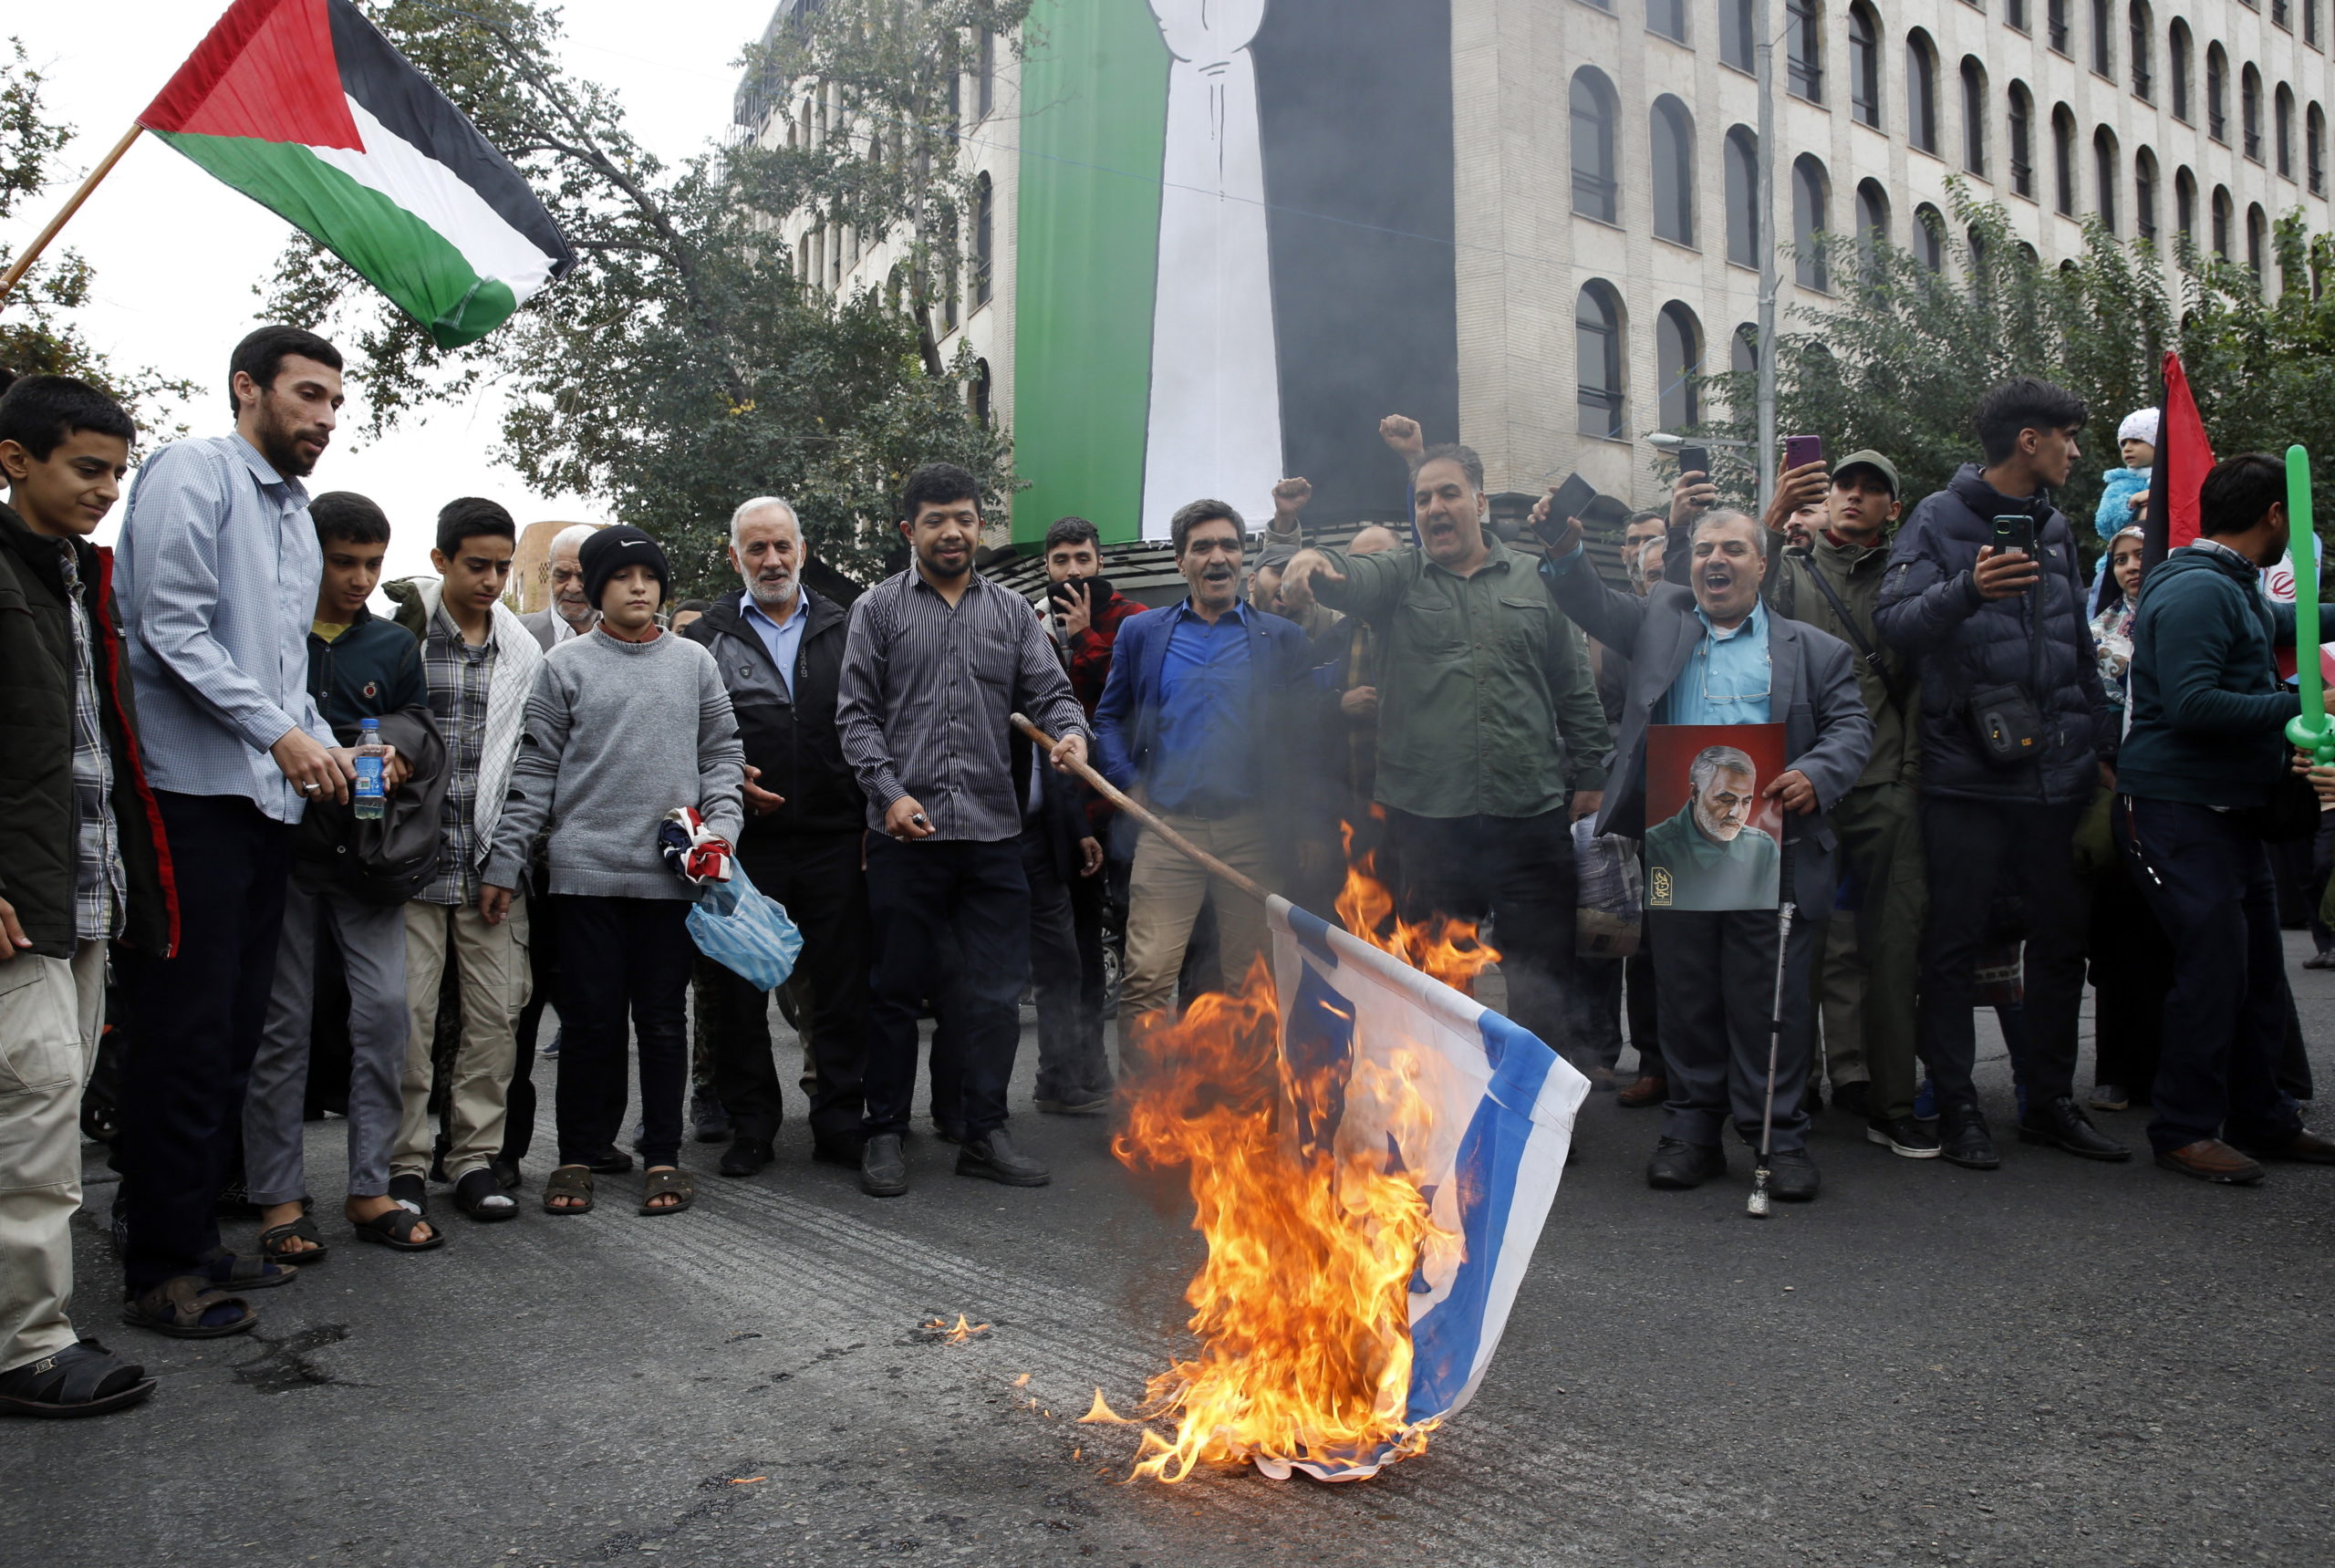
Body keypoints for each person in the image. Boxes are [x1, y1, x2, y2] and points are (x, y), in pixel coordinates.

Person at [111, 326, 364, 1335]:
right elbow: (166, 628)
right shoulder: (192, 473)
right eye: (307, 395)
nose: (324, 419)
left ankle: (199, 1238)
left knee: (233, 1032)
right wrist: (279, 731)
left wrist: (326, 744)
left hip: (266, 802)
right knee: (181, 1030)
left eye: (335, 404)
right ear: (246, 388)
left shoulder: (297, 517)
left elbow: (283, 669)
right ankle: (161, 1268)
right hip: (189, 793)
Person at [1542, 505, 1873, 1199]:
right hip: (1682, 835)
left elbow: (1851, 727)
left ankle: (1777, 1138)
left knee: (1768, 1000)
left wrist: (1817, 772)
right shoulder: (1661, 624)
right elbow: (1590, 601)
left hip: (1772, 843)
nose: (1714, 560)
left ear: (1761, 563)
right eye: (1702, 550)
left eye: (1732, 549)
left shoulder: (1815, 650)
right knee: (1686, 995)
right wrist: (1563, 545)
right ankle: (1690, 1131)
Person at [1874, 376, 2130, 1171]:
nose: (2078, 451)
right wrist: (1967, 587)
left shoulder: (2054, 528)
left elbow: (2078, 648)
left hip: (2058, 776)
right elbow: (1896, 623)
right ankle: (1958, 1107)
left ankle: (2047, 1101)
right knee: (1951, 945)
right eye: (2069, 436)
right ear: (2030, 440)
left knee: (2059, 942)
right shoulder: (1936, 518)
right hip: (1968, 776)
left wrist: (2103, 747)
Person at [1282, 444, 1610, 1060]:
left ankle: (1535, 1127)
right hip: (1428, 825)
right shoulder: (1401, 578)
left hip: (1528, 818)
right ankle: (1444, 1115)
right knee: (1439, 985)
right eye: (1424, 497)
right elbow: (1353, 577)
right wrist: (1313, 561)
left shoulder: (1535, 582)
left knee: (1542, 984)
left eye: (1449, 493)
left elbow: (1573, 684)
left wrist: (1592, 771)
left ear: (1480, 503)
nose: (1435, 506)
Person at [835, 463, 1091, 1198]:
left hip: (990, 836)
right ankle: (883, 1129)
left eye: (967, 518)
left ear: (981, 525)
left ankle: (983, 1130)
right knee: (893, 991)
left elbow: (1054, 695)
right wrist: (887, 793)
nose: (953, 531)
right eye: (937, 518)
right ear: (908, 529)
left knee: (994, 994)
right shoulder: (877, 609)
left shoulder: (1012, 614)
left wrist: (1070, 736)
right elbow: (855, 716)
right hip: (904, 836)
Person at [482, 525, 742, 1217]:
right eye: (622, 577)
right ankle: (577, 1153)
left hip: (669, 880)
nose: (638, 588)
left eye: (648, 576)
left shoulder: (694, 663)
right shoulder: (563, 667)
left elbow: (722, 755)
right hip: (582, 877)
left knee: (662, 1021)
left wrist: (722, 831)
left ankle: (663, 1154)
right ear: (595, 589)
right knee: (592, 1025)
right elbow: (533, 772)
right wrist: (506, 861)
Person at [0, 375, 168, 1412]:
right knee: (32, 1116)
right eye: (85, 467)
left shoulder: (74, 578)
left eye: (116, 471)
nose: (105, 489)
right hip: (21, 901)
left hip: (84, 894)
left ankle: (36, 1317)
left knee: (50, 1117)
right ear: (15, 459)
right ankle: (26, 1349)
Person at [2115, 452, 2335, 1183]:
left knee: (2259, 971)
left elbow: (2290, 620)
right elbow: (2192, 705)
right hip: (2180, 809)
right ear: (2276, 516)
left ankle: (2261, 1114)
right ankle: (2183, 1126)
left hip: (2231, 811)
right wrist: (2308, 706)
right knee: (2212, 970)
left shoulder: (2230, 585)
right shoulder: (2197, 593)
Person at [244, 492, 441, 1262]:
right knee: (281, 1027)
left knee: (386, 1013)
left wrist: (392, 747)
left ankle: (369, 1188)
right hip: (282, 854)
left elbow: (418, 728)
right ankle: (279, 1198)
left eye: (371, 564)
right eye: (343, 561)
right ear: (308, 555)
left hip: (368, 860)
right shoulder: (272, 630)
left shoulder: (391, 644)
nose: (359, 578)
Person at [681, 497, 871, 1176]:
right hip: (746, 842)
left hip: (835, 835)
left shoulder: (847, 626)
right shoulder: (705, 637)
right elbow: (690, 737)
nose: (771, 560)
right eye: (756, 548)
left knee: (841, 987)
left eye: (782, 546)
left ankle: (841, 1121)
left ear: (803, 549)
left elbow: (873, 722)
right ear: (734, 557)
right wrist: (731, 777)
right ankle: (752, 1126)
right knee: (738, 991)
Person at [1095, 499, 1322, 1034]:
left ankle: (1251, 1112)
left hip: (1252, 834)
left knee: (1251, 983)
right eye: (1202, 547)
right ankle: (1142, 1113)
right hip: (1166, 830)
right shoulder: (1143, 634)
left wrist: (1308, 825)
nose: (1217, 557)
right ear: (1181, 561)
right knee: (1147, 981)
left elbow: (1307, 742)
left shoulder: (1282, 638)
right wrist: (1129, 783)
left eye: (1228, 546)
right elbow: (1106, 721)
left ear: (1243, 557)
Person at [1760, 451, 1932, 1155]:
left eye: (1873, 491)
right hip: (1802, 787)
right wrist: (1771, 526)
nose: (1856, 498)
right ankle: (1791, 1089)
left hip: (1886, 785)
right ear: (1825, 500)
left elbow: (1925, 681)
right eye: (1845, 487)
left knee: (1892, 950)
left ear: (1894, 507)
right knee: (1793, 947)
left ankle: (1889, 1099)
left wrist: (1913, 775)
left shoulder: (1909, 576)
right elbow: (1742, 612)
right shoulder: (1793, 573)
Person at [387, 499, 543, 1222]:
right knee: (408, 1022)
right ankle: (405, 1163)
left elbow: (531, 769)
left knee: (494, 1018)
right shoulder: (401, 640)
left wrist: (506, 862)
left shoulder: (522, 653)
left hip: (490, 868)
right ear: (441, 559)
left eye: (503, 567)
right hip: (411, 865)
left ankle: (473, 1158)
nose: (490, 580)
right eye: (476, 564)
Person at [2082, 523, 2172, 1113]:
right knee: (2118, 934)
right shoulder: (2096, 632)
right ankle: (2116, 1070)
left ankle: (2172, 1069)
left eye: (2142, 555)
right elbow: (2085, 710)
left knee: (2174, 937)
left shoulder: (2182, 616)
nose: (2132, 567)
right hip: (2116, 794)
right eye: (2121, 559)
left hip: (2173, 793)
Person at [1643, 745, 1782, 910]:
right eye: (1726, 799)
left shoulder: (1763, 847)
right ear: (1695, 793)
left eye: (1746, 801)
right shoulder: (1655, 846)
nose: (1737, 813)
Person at [521, 523, 599, 651]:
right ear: (550, 569)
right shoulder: (517, 632)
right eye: (562, 575)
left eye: (584, 577)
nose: (572, 588)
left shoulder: (629, 639)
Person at [2092, 408, 2156, 541]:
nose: (2127, 448)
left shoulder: (2177, 481)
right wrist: (2130, 502)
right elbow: (2104, 524)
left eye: (2136, 440)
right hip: (2128, 556)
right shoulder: (2121, 483)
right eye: (2123, 443)